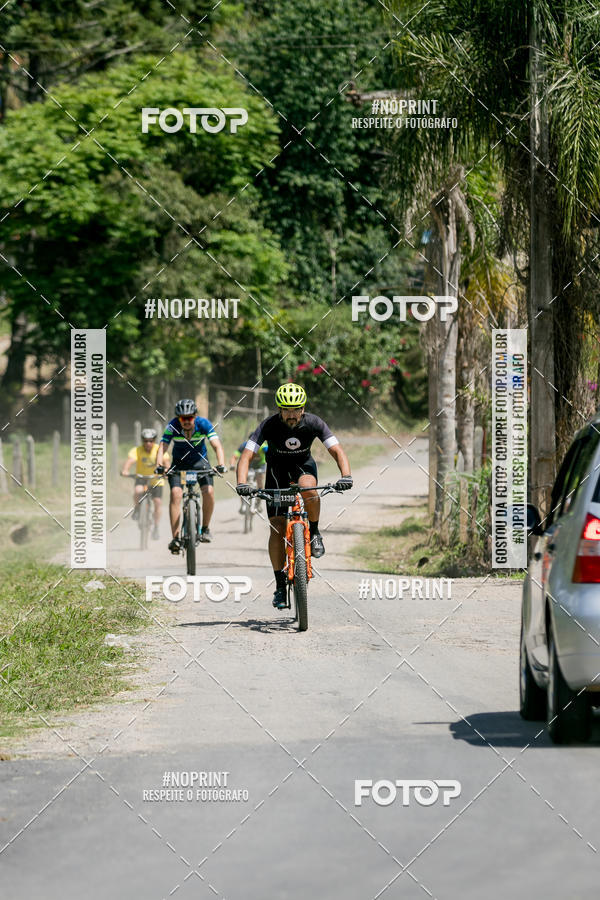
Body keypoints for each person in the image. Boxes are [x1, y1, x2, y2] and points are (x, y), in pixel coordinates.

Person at [235, 383, 352, 609]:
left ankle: (315, 533)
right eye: (286, 409)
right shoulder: (268, 425)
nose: (291, 414)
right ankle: (279, 585)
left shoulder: (314, 423)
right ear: (279, 409)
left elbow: (337, 450)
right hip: (276, 474)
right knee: (277, 528)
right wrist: (241, 483)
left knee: (309, 489)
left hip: (303, 468)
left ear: (303, 409)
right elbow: (247, 455)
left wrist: (345, 475)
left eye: (295, 409)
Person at [155, 398, 227, 553]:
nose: (186, 421)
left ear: (195, 416)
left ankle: (205, 528)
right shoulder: (172, 426)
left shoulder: (204, 424)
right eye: (183, 418)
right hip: (179, 465)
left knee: (209, 491)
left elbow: (217, 445)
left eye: (190, 418)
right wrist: (159, 466)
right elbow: (163, 447)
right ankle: (175, 538)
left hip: (200, 464)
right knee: (176, 494)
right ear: (178, 418)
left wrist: (221, 464)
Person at [121, 427, 168, 540]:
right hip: (141, 478)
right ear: (142, 441)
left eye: (151, 440)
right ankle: (137, 510)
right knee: (138, 491)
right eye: (146, 440)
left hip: (156, 480)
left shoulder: (159, 450)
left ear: (154, 441)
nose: (148, 443)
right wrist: (125, 470)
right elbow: (130, 461)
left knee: (157, 502)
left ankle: (156, 527)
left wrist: (166, 470)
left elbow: (166, 462)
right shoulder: (137, 450)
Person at [229, 440, 268, 512]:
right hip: (249, 466)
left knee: (260, 483)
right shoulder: (244, 445)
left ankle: (258, 504)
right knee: (242, 484)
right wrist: (232, 465)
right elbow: (234, 456)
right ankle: (243, 504)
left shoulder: (263, 446)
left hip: (260, 466)